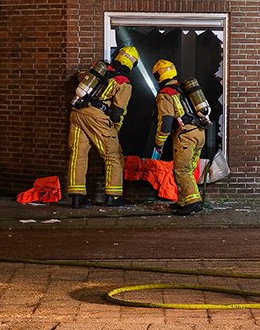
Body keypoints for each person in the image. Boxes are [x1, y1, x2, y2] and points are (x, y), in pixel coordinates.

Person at [68, 46, 138, 208]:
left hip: (77, 113)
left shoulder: (98, 70)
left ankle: (77, 197)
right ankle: (113, 196)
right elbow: (118, 112)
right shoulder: (124, 82)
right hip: (98, 117)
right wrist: (115, 130)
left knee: (78, 154)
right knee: (113, 155)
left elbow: (79, 78)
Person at [152, 59, 209, 216]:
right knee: (189, 169)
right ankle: (183, 201)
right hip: (199, 132)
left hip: (186, 136)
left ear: (159, 75)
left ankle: (193, 202)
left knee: (182, 170)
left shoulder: (165, 94)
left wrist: (159, 142)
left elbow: (166, 121)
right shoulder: (184, 89)